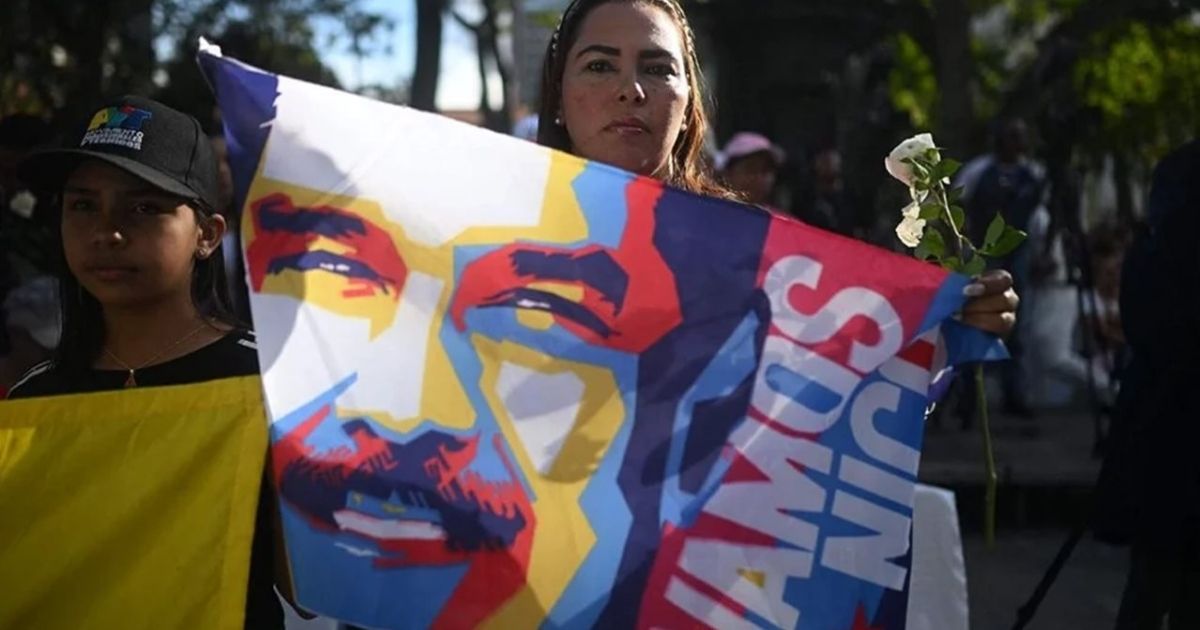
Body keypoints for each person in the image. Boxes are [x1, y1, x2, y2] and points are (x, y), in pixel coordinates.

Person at [536, 0, 1018, 336]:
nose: (631, 90)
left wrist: (952, 321)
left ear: (688, 108)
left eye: (658, 68)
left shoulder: (766, 255)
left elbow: (852, 360)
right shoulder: (498, 235)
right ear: (557, 98)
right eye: (600, 66)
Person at [4, 96, 284, 629]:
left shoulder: (268, 386)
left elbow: (314, 585)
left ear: (207, 235)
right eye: (82, 206)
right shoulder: (32, 402)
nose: (106, 232)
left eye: (143, 208)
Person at [1096, 140, 1200, 630]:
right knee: (1159, 579)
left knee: (1154, 579)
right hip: (1168, 425)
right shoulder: (1164, 252)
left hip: (1159, 424)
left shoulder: (1154, 251)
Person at [715, 131, 784, 210]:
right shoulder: (710, 212)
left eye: (765, 170)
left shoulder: (777, 217)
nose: (759, 177)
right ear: (727, 173)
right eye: (751, 168)